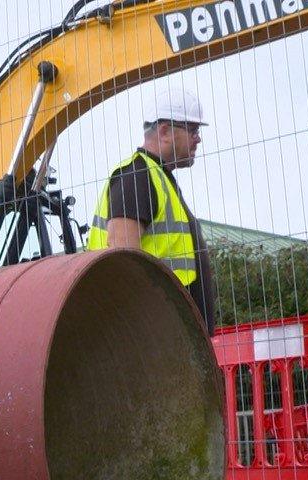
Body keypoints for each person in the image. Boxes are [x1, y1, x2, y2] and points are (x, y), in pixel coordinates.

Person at [87, 87, 218, 336]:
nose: (198, 138)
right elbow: (123, 264)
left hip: (167, 331)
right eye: (192, 130)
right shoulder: (137, 176)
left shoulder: (156, 177)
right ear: (165, 131)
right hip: (153, 334)